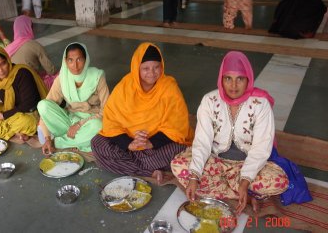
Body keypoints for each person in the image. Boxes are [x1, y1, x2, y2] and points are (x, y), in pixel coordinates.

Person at [171, 51, 312, 215]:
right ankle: (247, 195)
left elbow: (261, 147)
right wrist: (194, 177)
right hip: (215, 161)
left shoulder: (260, 104)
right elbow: (202, 141)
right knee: (179, 165)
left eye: (240, 79)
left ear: (249, 80)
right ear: (221, 79)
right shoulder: (209, 101)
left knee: (278, 181)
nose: (233, 85)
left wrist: (244, 182)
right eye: (228, 78)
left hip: (247, 165)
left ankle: (232, 189)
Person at [91, 42, 194, 184]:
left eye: (156, 67)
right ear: (136, 68)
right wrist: (130, 144)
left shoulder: (169, 87)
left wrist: (150, 143)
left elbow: (176, 127)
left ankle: (132, 165)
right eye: (145, 68)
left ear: (162, 66)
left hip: (155, 147)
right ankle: (150, 170)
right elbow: (111, 121)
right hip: (130, 142)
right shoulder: (125, 86)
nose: (151, 73)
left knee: (180, 149)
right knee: (97, 143)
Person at [38, 42, 109, 154]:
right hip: (69, 120)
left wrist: (79, 124)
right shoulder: (62, 79)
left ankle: (58, 142)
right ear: (65, 61)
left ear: (86, 60)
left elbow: (107, 110)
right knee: (42, 105)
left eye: (79, 60)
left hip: (91, 120)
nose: (75, 66)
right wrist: (47, 138)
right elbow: (45, 109)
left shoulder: (97, 76)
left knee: (99, 126)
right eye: (70, 60)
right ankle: (78, 140)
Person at [5, 15, 58, 89]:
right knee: (57, 77)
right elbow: (51, 70)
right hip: (31, 84)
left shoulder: (8, 48)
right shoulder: (35, 45)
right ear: (29, 28)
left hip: (12, 86)